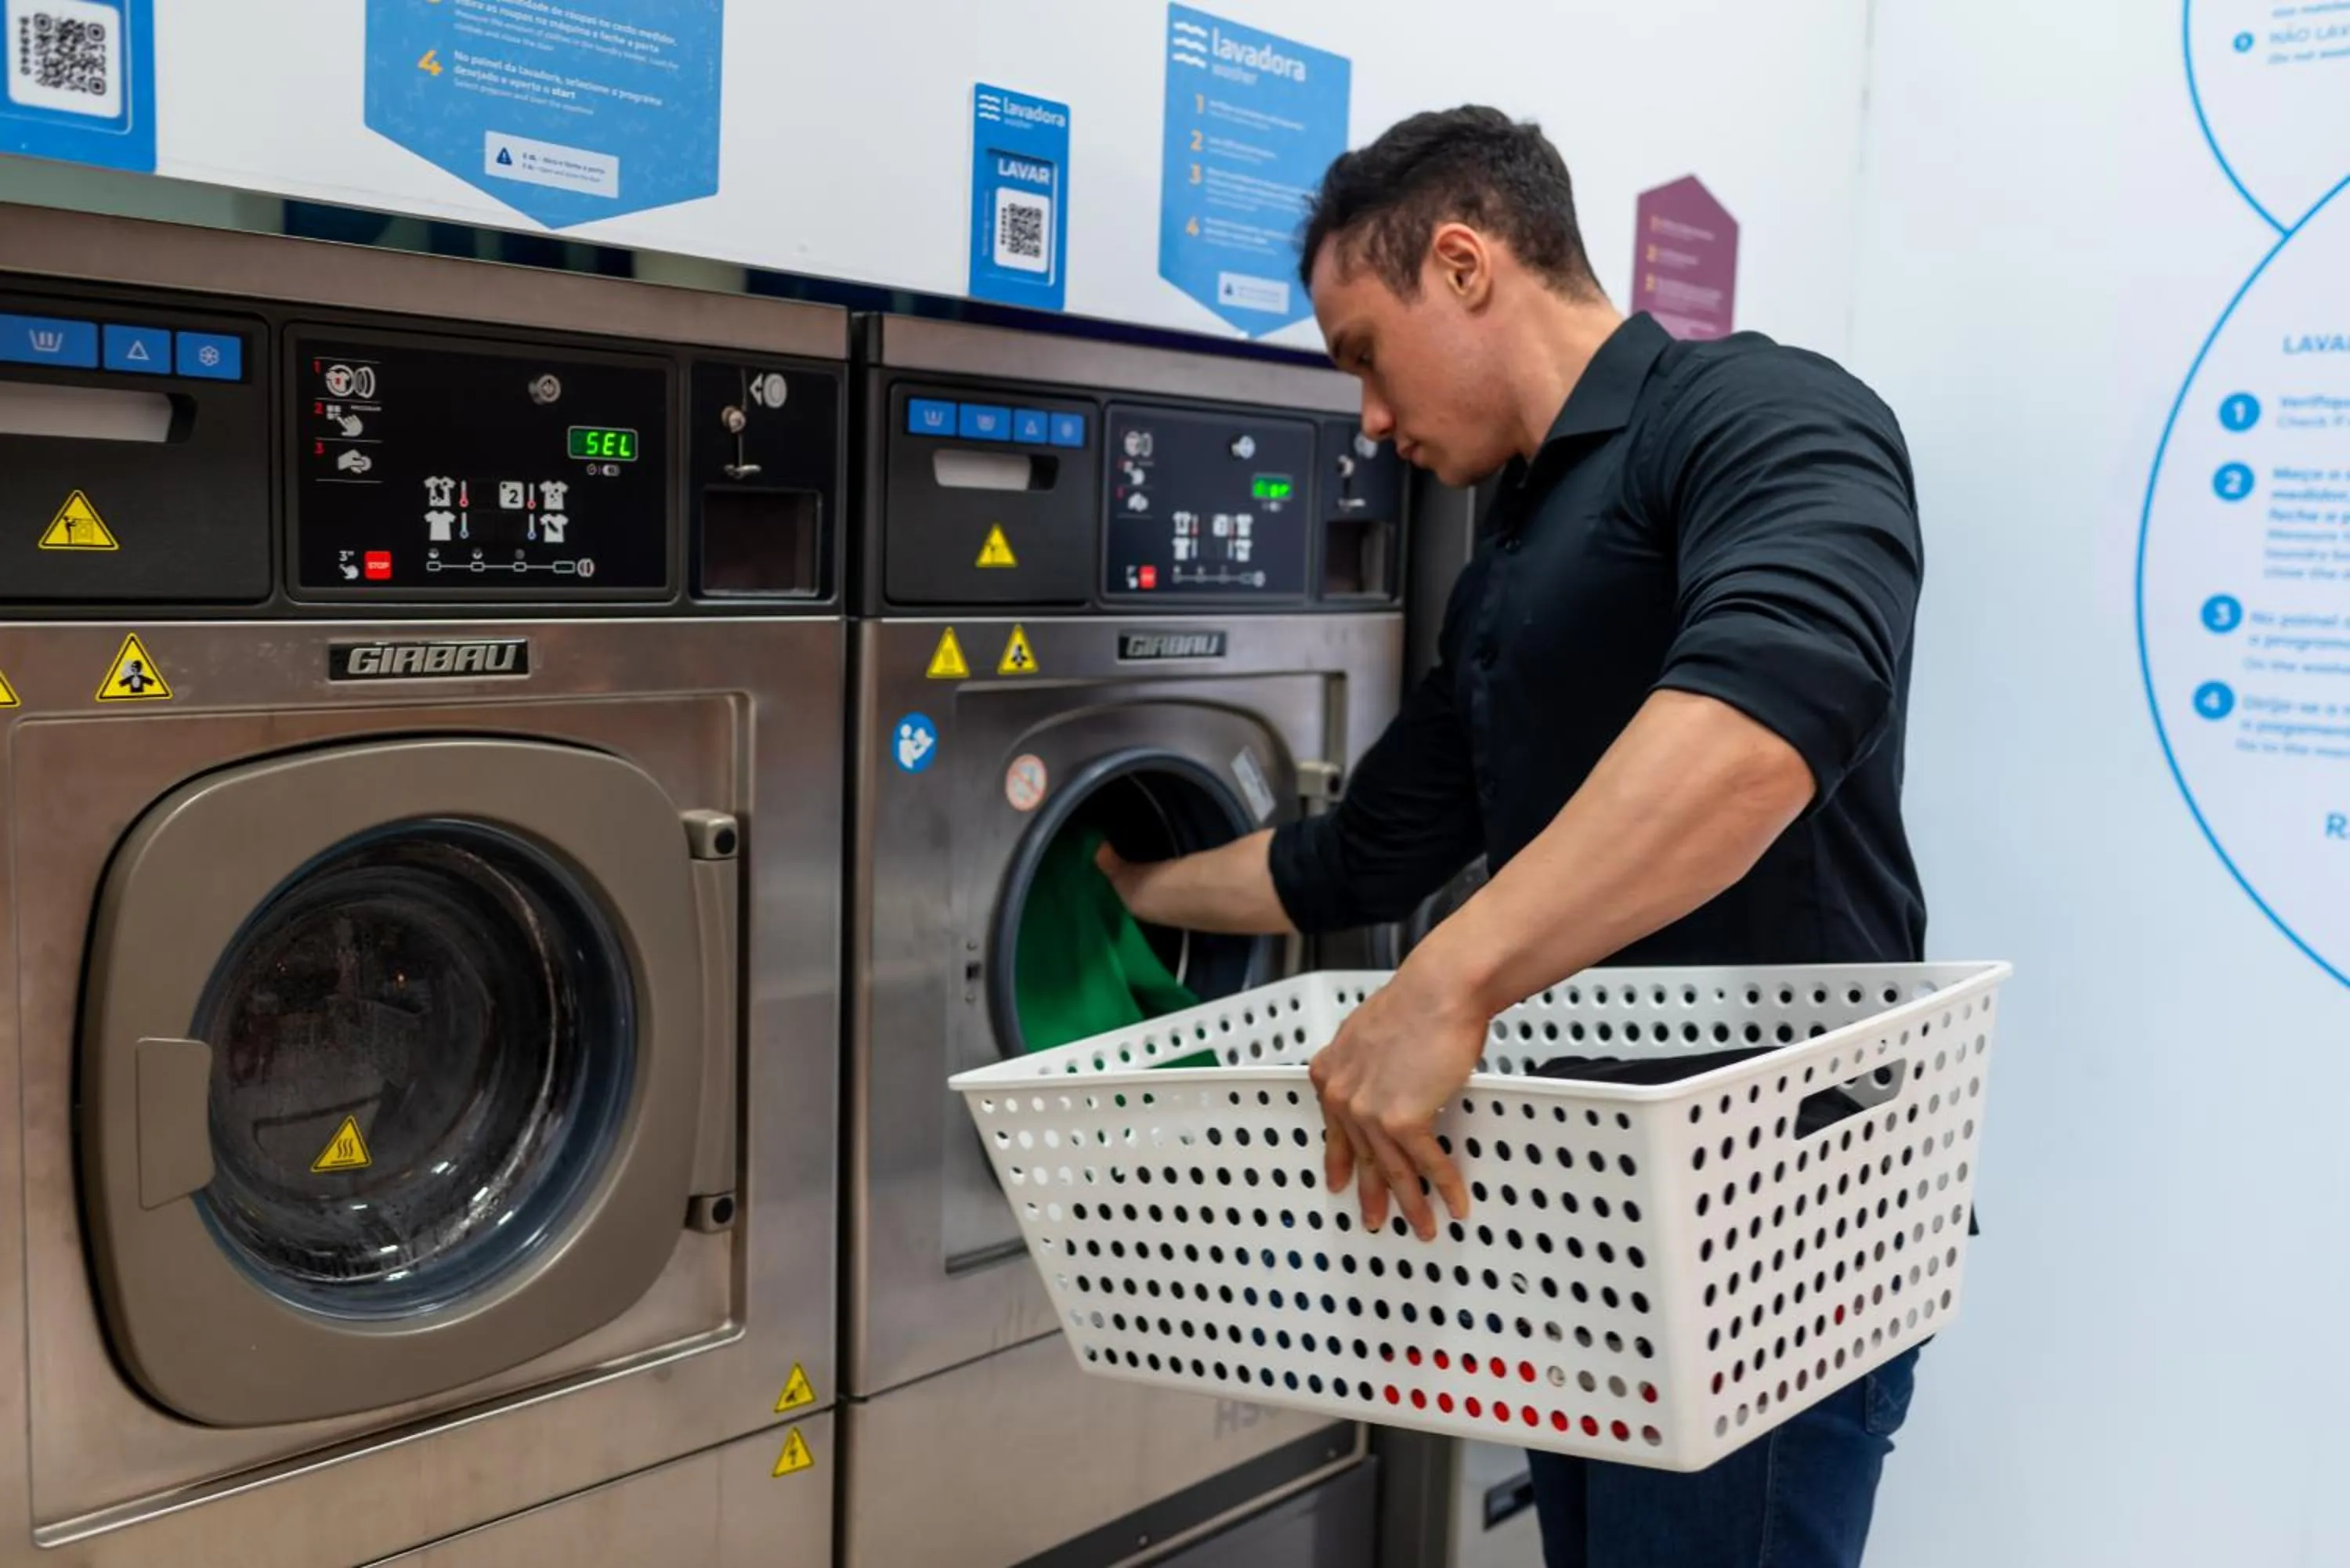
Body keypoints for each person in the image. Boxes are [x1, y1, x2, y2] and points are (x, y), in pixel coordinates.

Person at [1097, 106, 1929, 1568]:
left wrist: (1444, 985)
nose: (1367, 416)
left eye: (1362, 350)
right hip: (1588, 1224)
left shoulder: (1763, 414)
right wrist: (1129, 881)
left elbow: (1773, 712)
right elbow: (1357, 855)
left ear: (1467, 265)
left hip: (1772, 1233)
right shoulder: (1509, 562)